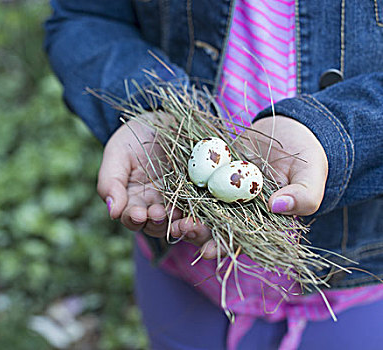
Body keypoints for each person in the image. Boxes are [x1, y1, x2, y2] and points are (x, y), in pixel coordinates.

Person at [44, 1, 383, 349]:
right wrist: (152, 103)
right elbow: (87, 16)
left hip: (359, 281)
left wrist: (334, 134)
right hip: (183, 260)